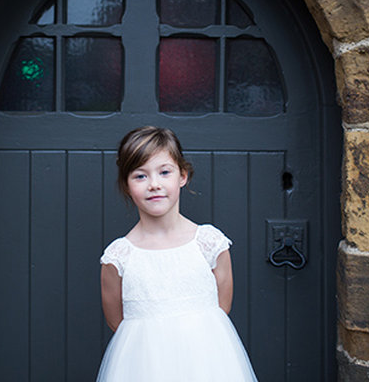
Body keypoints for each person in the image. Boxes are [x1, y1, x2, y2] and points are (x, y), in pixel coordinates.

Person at [96, 126, 258, 382]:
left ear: (182, 176)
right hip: (142, 369)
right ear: (126, 185)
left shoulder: (209, 243)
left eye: (164, 172)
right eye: (140, 176)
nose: (154, 185)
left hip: (206, 366)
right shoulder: (119, 257)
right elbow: (118, 322)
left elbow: (220, 309)